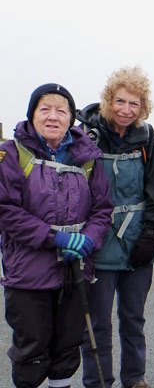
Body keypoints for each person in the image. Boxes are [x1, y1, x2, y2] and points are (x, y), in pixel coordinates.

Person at [0, 83, 113, 388]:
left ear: (70, 119)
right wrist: (54, 238)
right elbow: (5, 210)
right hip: (28, 272)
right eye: (44, 109)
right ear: (32, 114)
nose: (53, 116)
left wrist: (90, 238)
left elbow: (103, 208)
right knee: (32, 348)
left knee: (67, 345)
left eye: (61, 110)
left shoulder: (87, 157)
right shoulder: (10, 154)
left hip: (75, 269)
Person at [76, 66, 154, 388]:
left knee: (133, 319)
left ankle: (134, 379)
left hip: (137, 238)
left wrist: (150, 234)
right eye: (120, 101)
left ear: (143, 107)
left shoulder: (146, 137)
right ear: (108, 100)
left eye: (134, 104)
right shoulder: (87, 135)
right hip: (98, 241)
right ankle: (98, 381)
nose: (126, 110)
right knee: (96, 322)